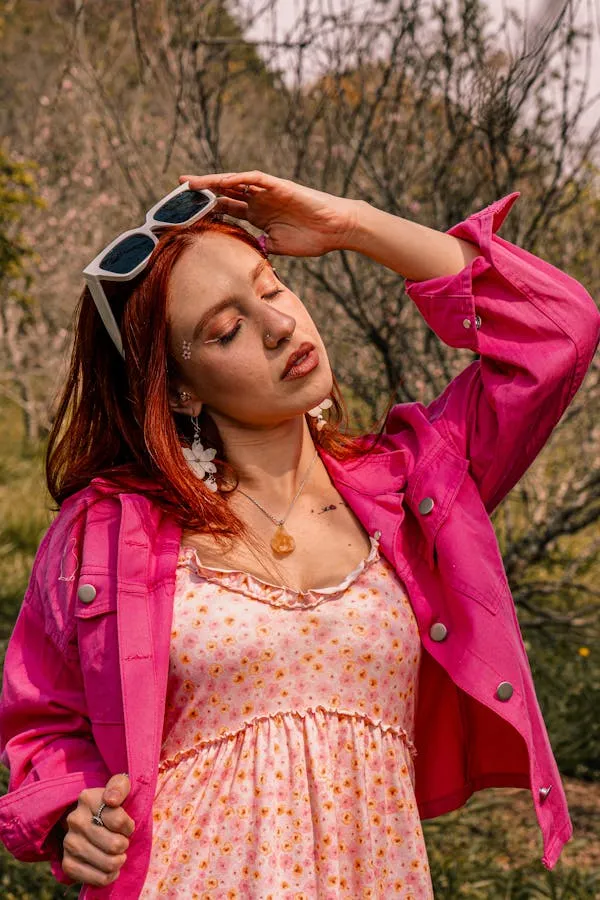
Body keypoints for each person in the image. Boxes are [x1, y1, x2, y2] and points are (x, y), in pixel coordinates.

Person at [0, 170, 598, 900]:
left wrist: (351, 224)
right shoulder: (103, 531)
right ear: (181, 388)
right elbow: (43, 718)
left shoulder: (415, 487)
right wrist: (70, 814)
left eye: (272, 287)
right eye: (227, 329)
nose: (279, 324)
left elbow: (557, 331)